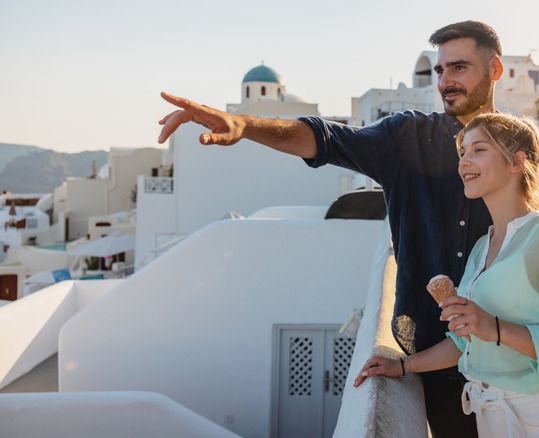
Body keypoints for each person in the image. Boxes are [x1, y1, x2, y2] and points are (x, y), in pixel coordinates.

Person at [158, 20, 507, 437]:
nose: (446, 82)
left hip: (510, 354)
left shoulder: (520, 149)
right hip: (437, 358)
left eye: (460, 68)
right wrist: (245, 127)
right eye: (440, 71)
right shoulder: (407, 138)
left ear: (495, 70)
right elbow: (323, 139)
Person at [354, 113, 539, 437]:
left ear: (516, 162)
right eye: (462, 152)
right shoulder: (482, 246)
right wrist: (404, 366)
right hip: (492, 416)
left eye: (478, 149)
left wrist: (495, 327)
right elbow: (466, 340)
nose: (464, 161)